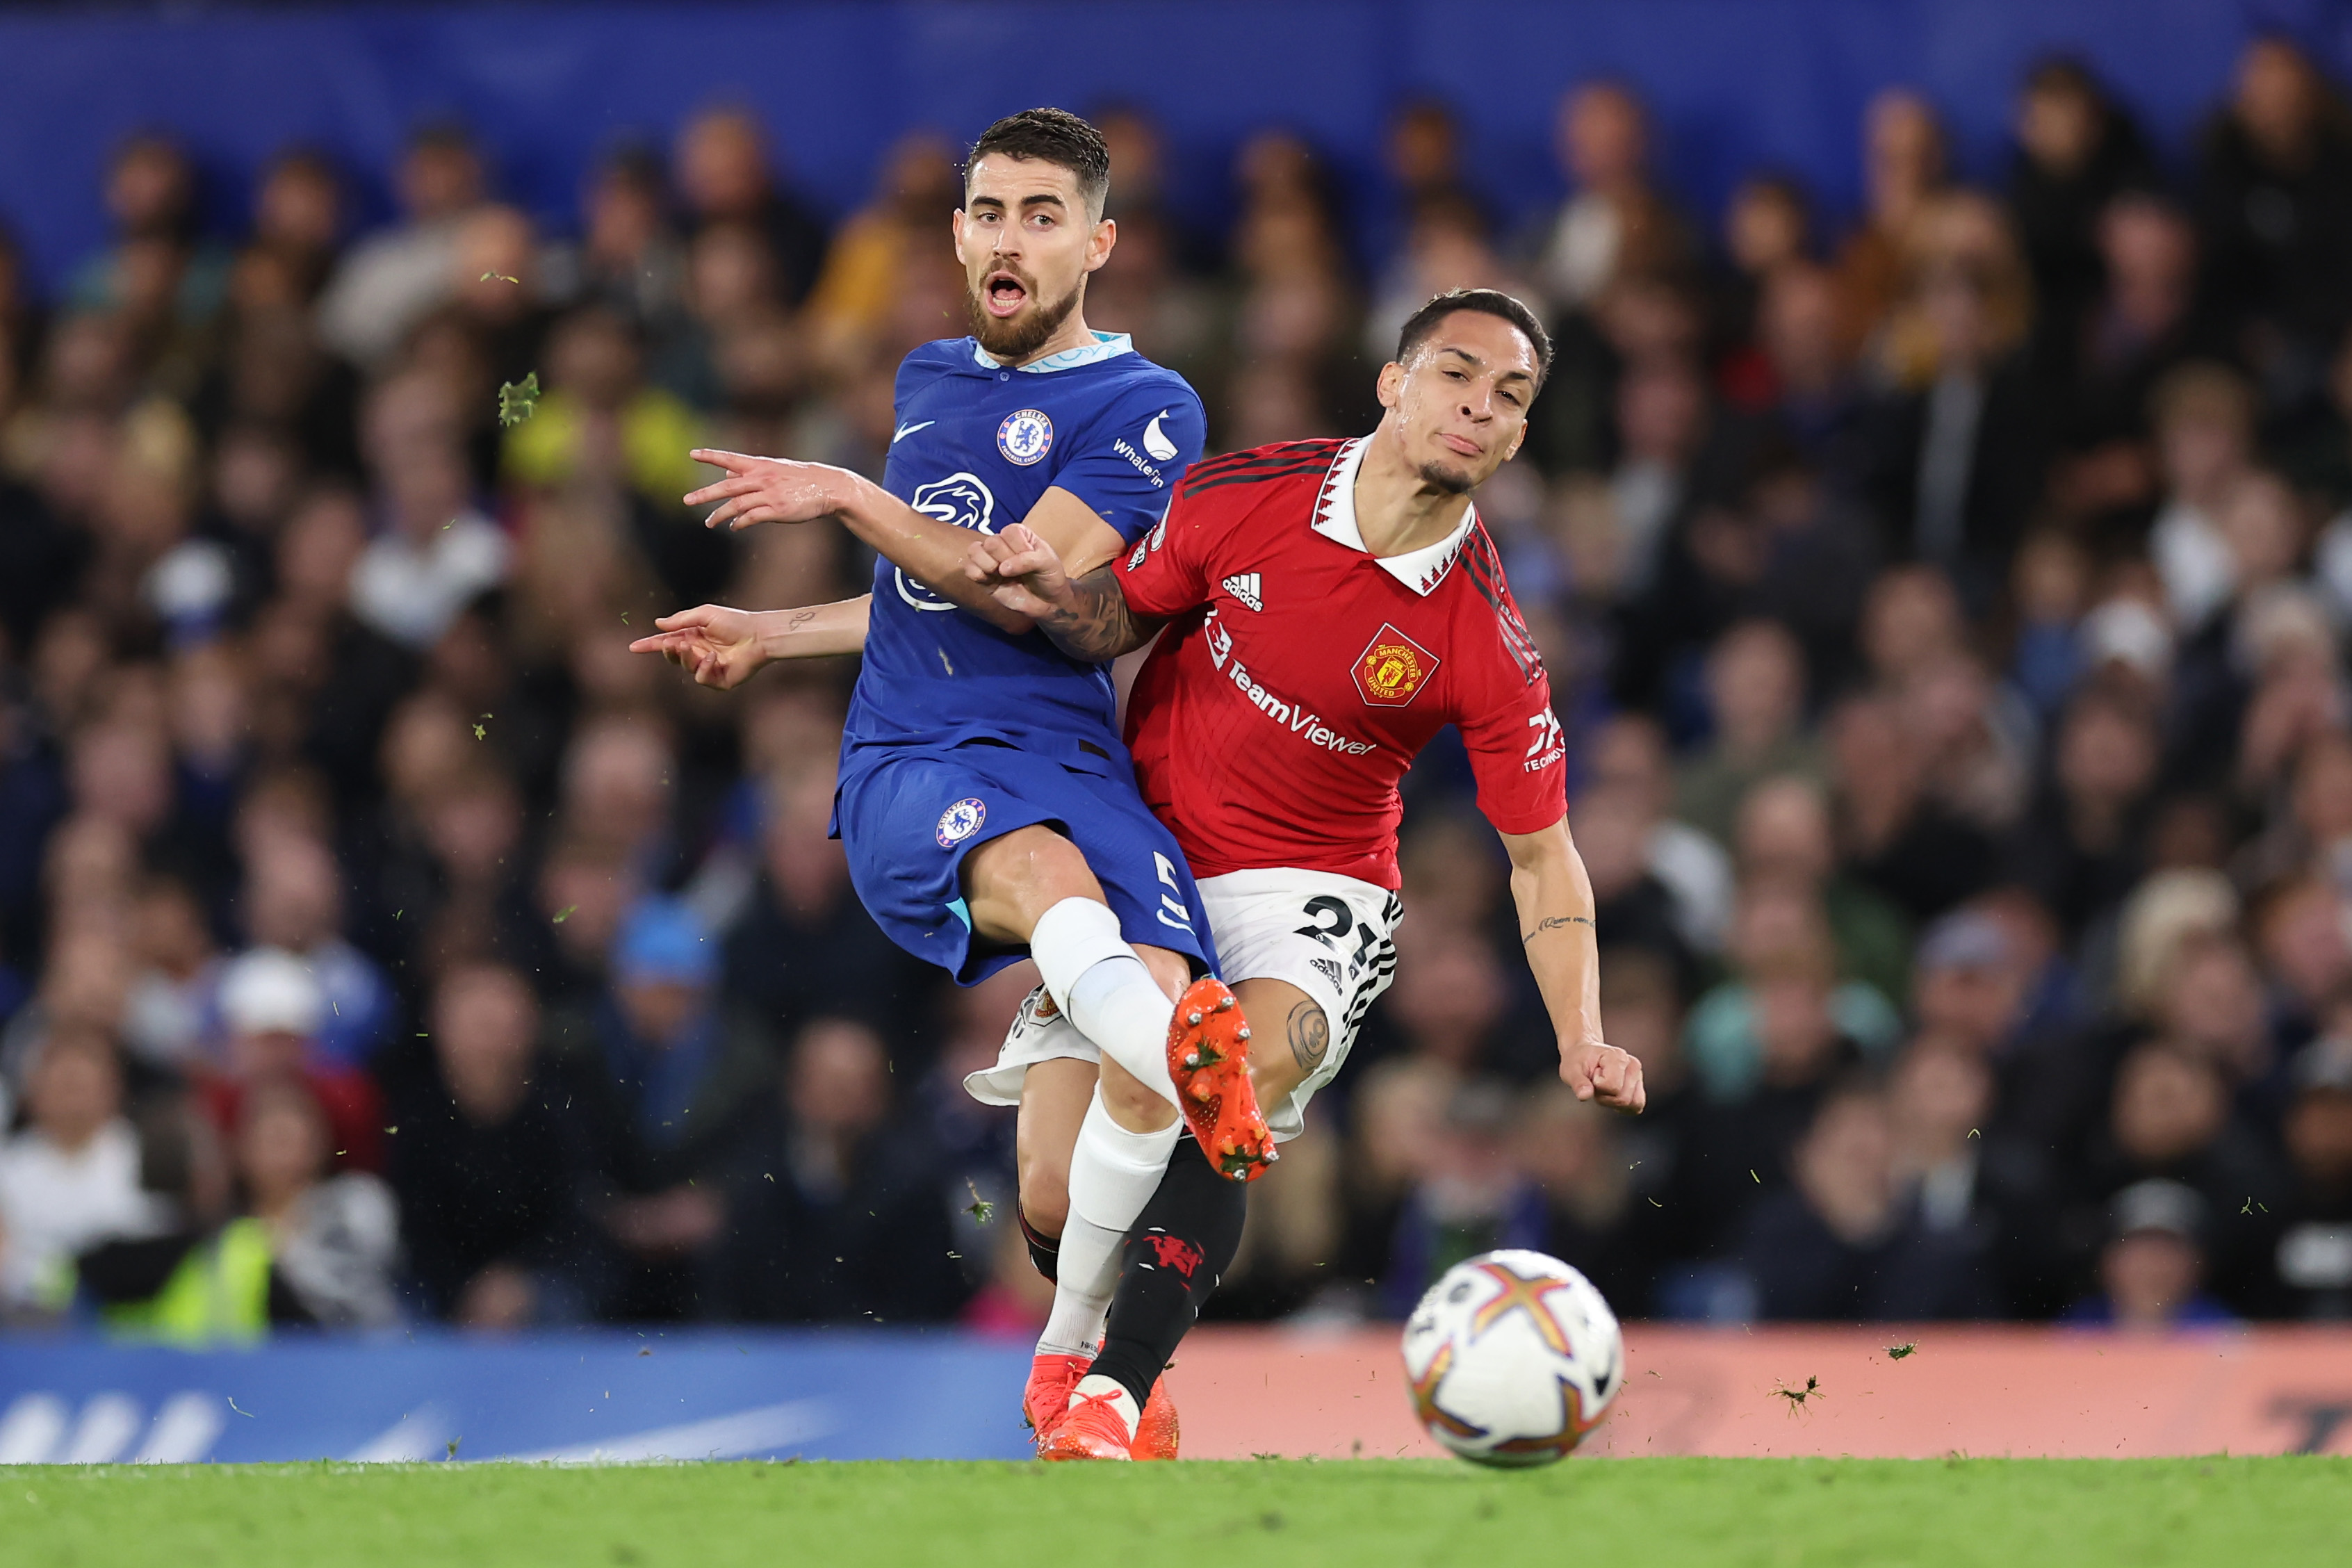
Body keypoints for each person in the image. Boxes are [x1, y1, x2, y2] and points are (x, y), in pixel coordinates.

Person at [630, 109, 1239, 1451]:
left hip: (1075, 753)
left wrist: (849, 496)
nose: (1007, 238)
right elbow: (923, 593)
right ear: (959, 233)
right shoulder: (923, 375)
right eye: (987, 213)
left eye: (1039, 214)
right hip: (919, 755)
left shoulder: (1150, 407)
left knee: (1058, 1184)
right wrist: (775, 632)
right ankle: (1200, 1088)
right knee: (1072, 906)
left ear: (1099, 242)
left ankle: (1079, 1361)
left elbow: (1018, 587)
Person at [963, 288, 1643, 1456]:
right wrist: (1048, 594)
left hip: (1313, 898)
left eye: (1510, 397)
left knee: (1206, 1067)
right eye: (1456, 375)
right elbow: (1120, 619)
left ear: (1522, 436)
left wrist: (1581, 1028)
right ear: (1393, 381)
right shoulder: (1246, 493)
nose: (1478, 408)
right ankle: (1116, 1353)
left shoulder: (1487, 639)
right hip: (1150, 857)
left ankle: (1109, 1391)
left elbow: (1542, 860)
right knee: (1053, 1201)